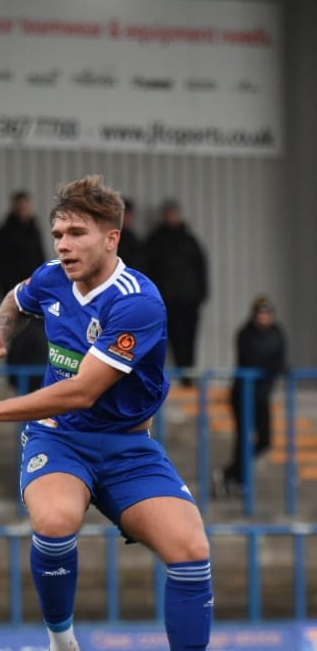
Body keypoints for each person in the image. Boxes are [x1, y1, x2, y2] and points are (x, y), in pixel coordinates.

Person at [0, 175, 224, 651]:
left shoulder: (137, 302)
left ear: (112, 238)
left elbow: (83, 391)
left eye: (77, 234)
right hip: (61, 442)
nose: (63, 244)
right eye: (58, 232)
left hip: (127, 446)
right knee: (57, 520)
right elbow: (17, 299)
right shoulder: (52, 277)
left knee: (191, 550)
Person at [220, 295, 287, 495]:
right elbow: (251, 360)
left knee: (265, 441)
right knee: (243, 439)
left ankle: (232, 474)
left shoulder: (278, 333)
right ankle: (236, 479)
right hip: (244, 394)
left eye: (267, 313)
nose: (264, 318)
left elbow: (280, 361)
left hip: (263, 394)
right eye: (260, 313)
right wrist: (272, 369)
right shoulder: (246, 333)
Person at [145, 199, 208, 384]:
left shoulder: (190, 241)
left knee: (189, 339)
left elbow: (201, 268)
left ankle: (188, 376)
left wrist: (201, 294)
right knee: (168, 339)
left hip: (189, 300)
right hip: (166, 301)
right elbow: (147, 269)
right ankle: (167, 378)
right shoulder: (155, 241)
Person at [0, 191, 48, 389]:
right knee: (16, 333)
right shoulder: (5, 232)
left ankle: (37, 376)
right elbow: (3, 265)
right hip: (16, 292)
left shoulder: (35, 231)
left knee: (37, 334)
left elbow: (41, 260)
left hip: (36, 292)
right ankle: (16, 377)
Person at [117, 197, 147, 273]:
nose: (128, 218)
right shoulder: (112, 237)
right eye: (126, 215)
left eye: (130, 215)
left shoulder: (133, 238)